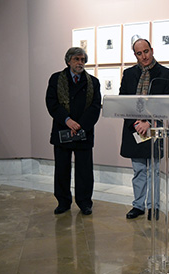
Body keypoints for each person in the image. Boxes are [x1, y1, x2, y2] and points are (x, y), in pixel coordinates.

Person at [119, 38, 169, 220]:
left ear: (152, 50)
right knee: (139, 171)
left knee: (155, 171)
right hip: (135, 129)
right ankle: (138, 205)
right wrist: (137, 123)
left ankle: (154, 206)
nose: (144, 56)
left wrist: (149, 123)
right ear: (135, 55)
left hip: (155, 129)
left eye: (146, 51)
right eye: (139, 53)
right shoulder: (128, 74)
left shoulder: (166, 74)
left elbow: (166, 104)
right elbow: (123, 102)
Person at [45, 47, 101, 215]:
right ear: (68, 61)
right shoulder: (56, 79)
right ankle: (63, 201)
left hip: (84, 132)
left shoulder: (93, 82)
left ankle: (84, 203)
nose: (80, 63)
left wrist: (80, 125)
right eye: (76, 59)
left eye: (83, 60)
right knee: (62, 168)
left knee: (84, 170)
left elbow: (95, 107)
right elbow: (51, 103)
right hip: (63, 130)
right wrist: (67, 120)